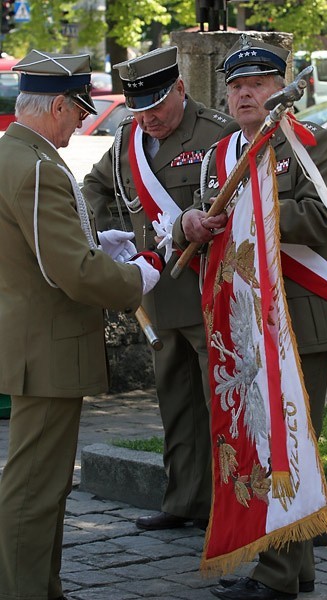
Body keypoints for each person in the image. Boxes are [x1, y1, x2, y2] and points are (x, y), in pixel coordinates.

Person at [173, 34, 327, 600]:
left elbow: (324, 221)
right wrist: (192, 224)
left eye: (257, 85)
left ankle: (276, 578)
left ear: (281, 90)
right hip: (243, 322)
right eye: (236, 87)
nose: (245, 95)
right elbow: (204, 219)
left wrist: (257, 203)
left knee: (290, 444)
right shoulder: (221, 156)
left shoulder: (309, 145)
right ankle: (293, 572)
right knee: (265, 446)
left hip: (299, 318)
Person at [0, 49, 162, 600]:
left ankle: (40, 587)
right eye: (77, 111)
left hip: (32, 342)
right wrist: (136, 278)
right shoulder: (38, 167)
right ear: (59, 107)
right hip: (46, 347)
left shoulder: (15, 154)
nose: (79, 123)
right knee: (35, 488)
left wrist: (98, 245)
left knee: (40, 483)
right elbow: (68, 271)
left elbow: (40, 250)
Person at [82, 46, 235, 532]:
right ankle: (185, 500)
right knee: (175, 402)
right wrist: (101, 238)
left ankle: (231, 509)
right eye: (138, 108)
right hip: (155, 294)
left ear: (180, 90)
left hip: (208, 291)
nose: (147, 119)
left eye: (156, 106)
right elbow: (96, 187)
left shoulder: (217, 133)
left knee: (222, 406)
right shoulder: (128, 137)